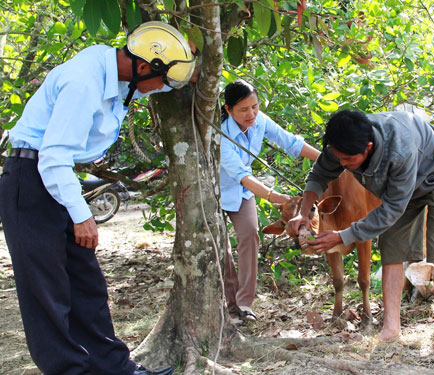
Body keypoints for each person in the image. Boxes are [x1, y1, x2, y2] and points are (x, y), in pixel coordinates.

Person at [0, 21, 196, 375]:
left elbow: (150, 84)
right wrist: (81, 215)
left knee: (86, 282)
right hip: (31, 180)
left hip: (56, 179)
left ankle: (116, 368)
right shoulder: (83, 83)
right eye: (160, 82)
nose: (158, 91)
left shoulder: (114, 72)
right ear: (141, 67)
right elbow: (54, 156)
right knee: (47, 290)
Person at [289, 109, 434, 341]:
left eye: (348, 160)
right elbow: (320, 174)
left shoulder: (399, 150)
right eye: (339, 157)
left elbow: (392, 209)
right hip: (400, 189)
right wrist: (304, 213)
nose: (342, 164)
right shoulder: (343, 144)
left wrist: (343, 236)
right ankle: (391, 328)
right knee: (391, 248)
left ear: (368, 147)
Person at [220, 80, 320, 325]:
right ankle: (230, 307)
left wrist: (328, 161)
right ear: (228, 109)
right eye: (243, 110)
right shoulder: (221, 135)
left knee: (250, 235)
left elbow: (291, 143)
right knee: (220, 248)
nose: (251, 114)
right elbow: (242, 175)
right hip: (216, 190)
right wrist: (276, 198)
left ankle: (245, 304)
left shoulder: (260, 120)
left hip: (243, 192)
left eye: (254, 106)